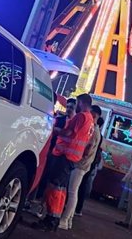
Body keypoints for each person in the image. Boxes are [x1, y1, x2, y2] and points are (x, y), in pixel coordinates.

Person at [32, 94, 94, 232]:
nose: (75, 106)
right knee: (60, 189)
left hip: (64, 156)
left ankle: (50, 219)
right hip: (71, 158)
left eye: (76, 103)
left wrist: (54, 130)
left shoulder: (81, 116)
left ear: (81, 103)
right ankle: (54, 218)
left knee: (55, 187)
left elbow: (68, 133)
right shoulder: (90, 120)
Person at [58, 105, 103, 230]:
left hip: (80, 164)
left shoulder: (94, 130)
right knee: (74, 191)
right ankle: (69, 219)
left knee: (72, 192)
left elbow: (87, 150)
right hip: (82, 165)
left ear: (94, 115)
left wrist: (79, 154)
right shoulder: (95, 130)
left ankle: (65, 220)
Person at [34, 98, 77, 200]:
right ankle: (38, 198)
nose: (69, 109)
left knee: (55, 180)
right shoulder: (60, 119)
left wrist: (59, 131)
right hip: (52, 150)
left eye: (71, 107)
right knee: (44, 175)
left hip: (64, 156)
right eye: (68, 107)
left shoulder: (75, 123)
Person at [74, 117, 105, 215]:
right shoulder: (100, 136)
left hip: (87, 162)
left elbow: (88, 149)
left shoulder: (94, 133)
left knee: (77, 187)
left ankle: (77, 209)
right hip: (92, 163)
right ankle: (78, 208)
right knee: (83, 185)